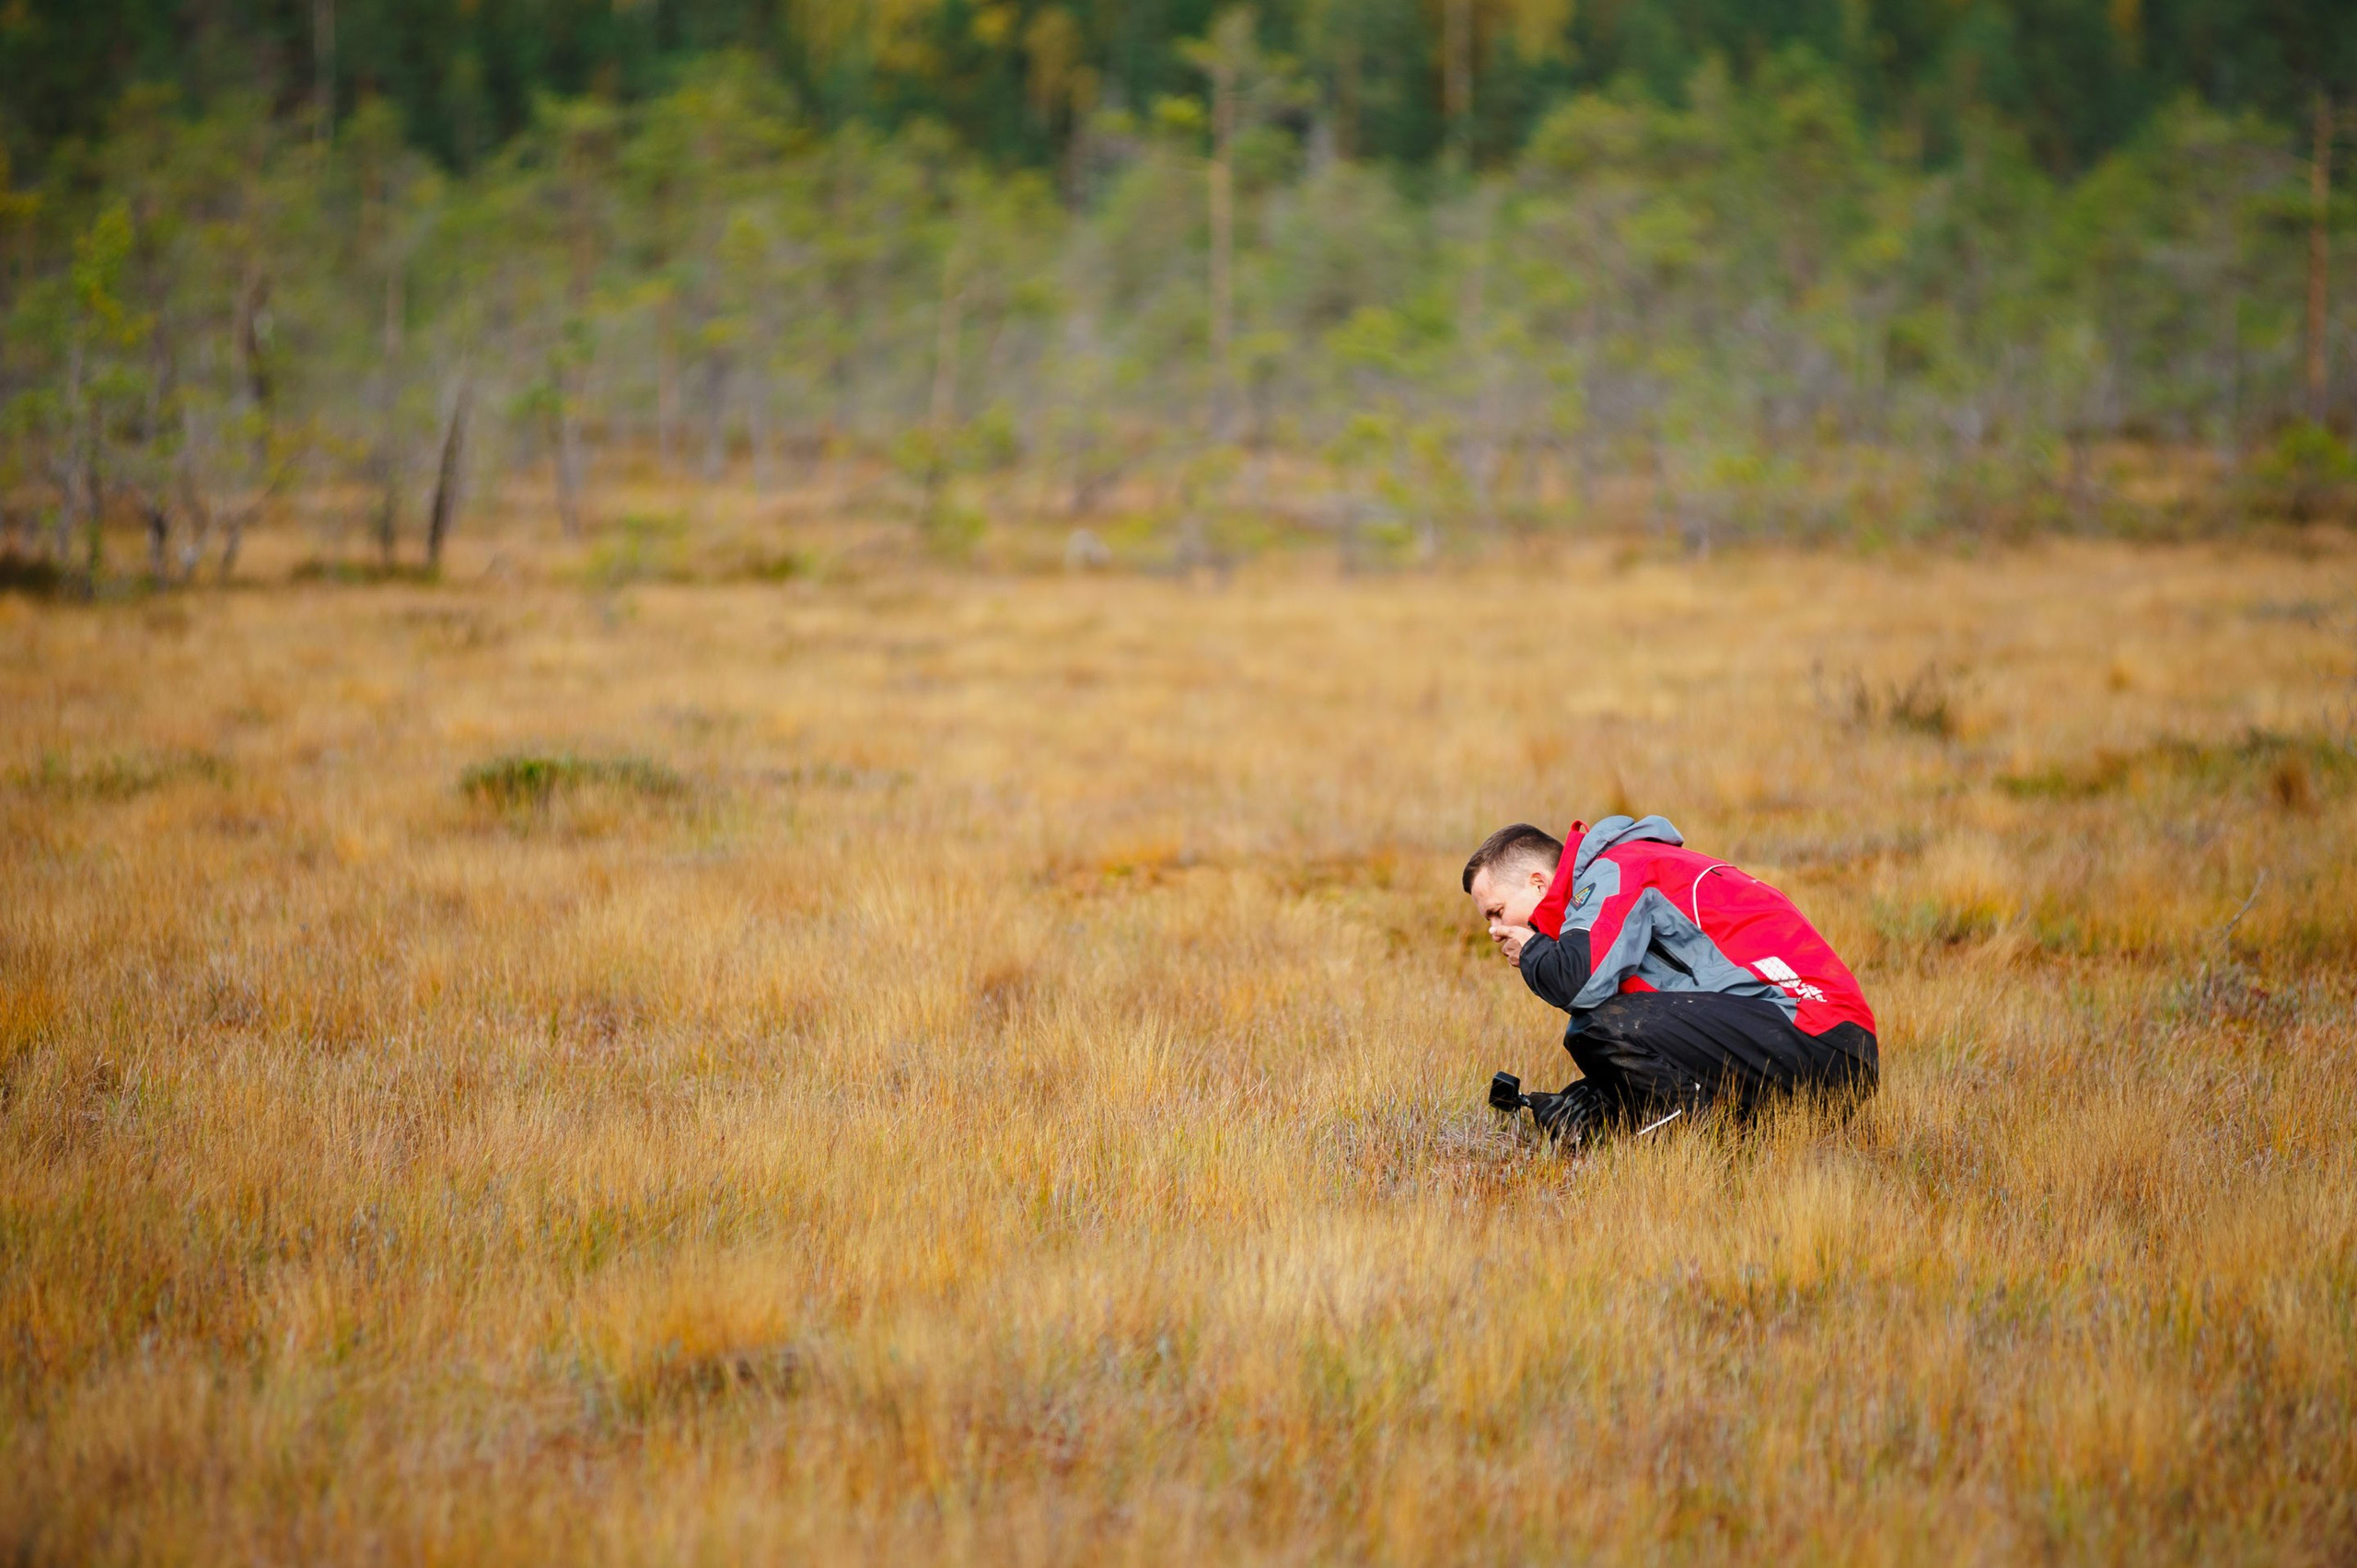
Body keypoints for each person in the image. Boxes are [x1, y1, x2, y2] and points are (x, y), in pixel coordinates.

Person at [1463, 815, 1877, 1145]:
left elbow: (1578, 983)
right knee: (1605, 1037)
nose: (1494, 930)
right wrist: (1598, 1102)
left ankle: (1707, 1143)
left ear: (1538, 882)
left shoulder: (1615, 870)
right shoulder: (1620, 873)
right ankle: (1709, 1139)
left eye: (1497, 912)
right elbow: (1668, 1037)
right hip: (1818, 1046)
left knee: (1594, 1028)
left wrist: (1534, 951)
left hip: (1816, 1034)